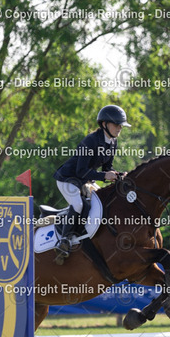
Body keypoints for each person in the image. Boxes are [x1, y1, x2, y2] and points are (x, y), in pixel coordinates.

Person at [52, 105, 130, 261]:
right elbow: (81, 171)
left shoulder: (112, 142)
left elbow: (107, 168)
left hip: (85, 180)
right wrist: (104, 176)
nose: (120, 128)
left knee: (102, 200)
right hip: (68, 179)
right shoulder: (90, 141)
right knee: (78, 205)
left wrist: (120, 174)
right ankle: (64, 241)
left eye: (121, 125)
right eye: (116, 124)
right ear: (104, 124)